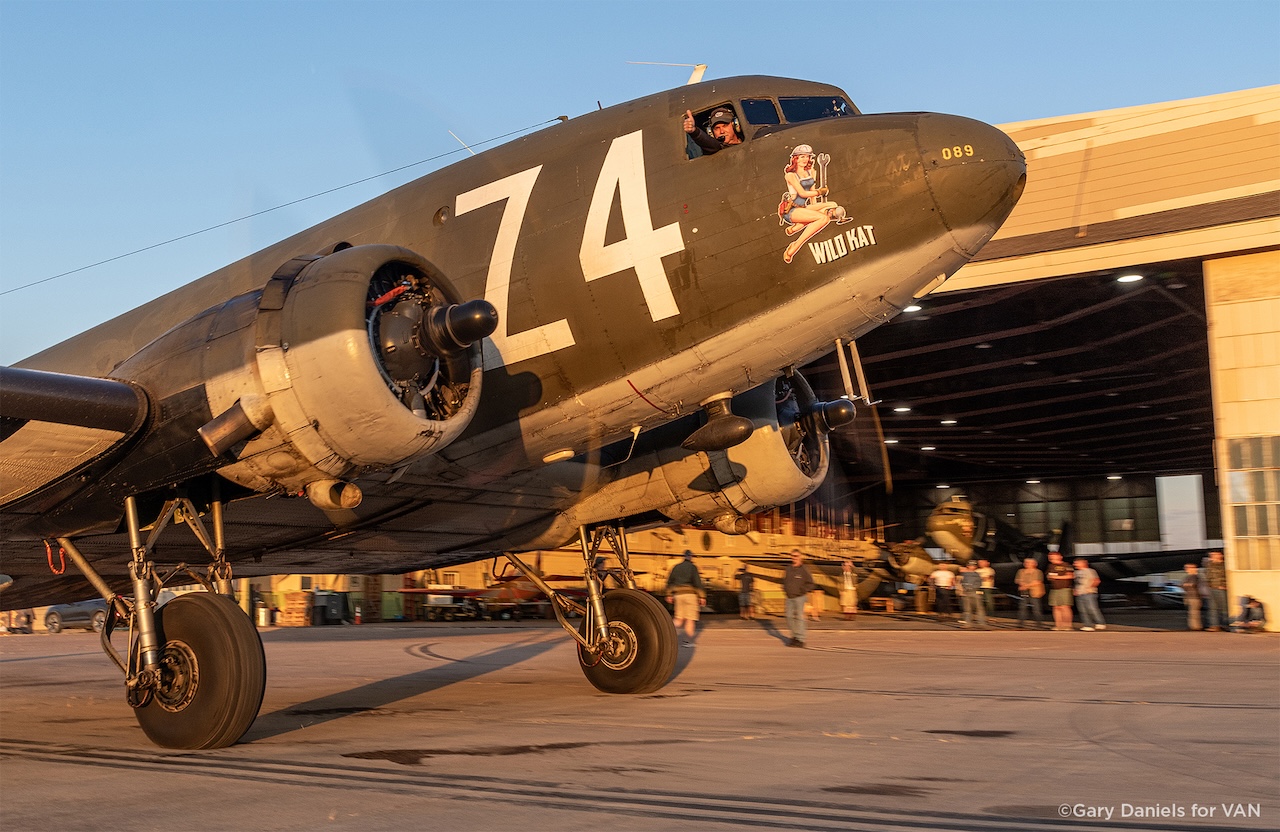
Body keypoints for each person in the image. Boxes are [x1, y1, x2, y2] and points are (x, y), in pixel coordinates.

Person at [779, 144, 848, 264]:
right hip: (792, 210)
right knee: (824, 218)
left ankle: (798, 227)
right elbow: (802, 193)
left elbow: (811, 196)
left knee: (832, 204)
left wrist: (815, 205)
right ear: (795, 158)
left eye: (807, 156)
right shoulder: (790, 175)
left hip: (803, 208)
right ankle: (794, 247)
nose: (805, 159)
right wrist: (819, 192)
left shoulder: (812, 172)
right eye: (801, 157)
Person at [665, 550, 705, 647]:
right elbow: (697, 582)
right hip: (690, 595)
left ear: (683, 556)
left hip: (678, 595)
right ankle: (688, 642)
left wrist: (669, 594)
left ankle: (666, 633)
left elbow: (670, 581)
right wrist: (702, 596)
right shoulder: (692, 567)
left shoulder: (676, 567)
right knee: (690, 619)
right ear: (690, 556)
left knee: (679, 618)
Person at [783, 549, 815, 647]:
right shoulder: (788, 569)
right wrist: (785, 589)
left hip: (800, 597)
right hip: (789, 597)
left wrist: (803, 590)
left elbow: (811, 583)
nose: (794, 558)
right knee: (789, 617)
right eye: (792, 556)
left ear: (800, 557)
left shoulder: (804, 569)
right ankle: (794, 636)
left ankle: (800, 639)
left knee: (800, 618)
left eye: (796, 556)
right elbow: (785, 581)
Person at [1072, 558, 1106, 632]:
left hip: (1089, 593)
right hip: (1079, 593)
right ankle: (1087, 625)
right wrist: (1075, 590)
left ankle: (1100, 622)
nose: (1075, 564)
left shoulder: (1090, 571)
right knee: (1082, 610)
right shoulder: (1076, 572)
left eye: (1077, 563)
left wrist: (1090, 588)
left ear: (1083, 563)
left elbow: (1096, 580)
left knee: (1092, 608)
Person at [1046, 552, 1075, 631]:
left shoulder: (1066, 565)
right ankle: (1058, 625)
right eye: (1050, 557)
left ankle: (1068, 625)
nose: (1051, 559)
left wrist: (1058, 577)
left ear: (1060, 557)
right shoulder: (1050, 566)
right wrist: (1050, 577)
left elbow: (1070, 576)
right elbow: (1049, 575)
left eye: (1053, 557)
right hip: (1054, 589)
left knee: (1065, 607)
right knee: (1056, 607)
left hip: (1065, 589)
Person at [1015, 557, 1046, 629]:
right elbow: (1017, 580)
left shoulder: (1038, 572)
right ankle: (1020, 624)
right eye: (1026, 562)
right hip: (1024, 592)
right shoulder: (1021, 571)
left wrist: (1026, 586)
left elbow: (1038, 581)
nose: (1027, 564)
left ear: (1034, 564)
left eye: (1029, 563)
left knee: (1036, 608)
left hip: (1035, 592)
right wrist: (1022, 584)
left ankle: (1039, 624)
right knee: (1022, 608)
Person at [1204, 551, 1229, 631]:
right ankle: (1214, 625)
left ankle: (1225, 624)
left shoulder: (1225, 565)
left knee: (1224, 607)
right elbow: (1207, 576)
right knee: (1213, 608)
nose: (1212, 556)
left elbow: (1228, 575)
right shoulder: (1209, 565)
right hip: (1213, 587)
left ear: (1220, 555)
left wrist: (1225, 585)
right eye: (1211, 555)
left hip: (1221, 588)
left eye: (1215, 555)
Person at [957, 563, 987, 628]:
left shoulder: (977, 575)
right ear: (968, 566)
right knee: (967, 609)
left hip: (974, 592)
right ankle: (967, 623)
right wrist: (962, 590)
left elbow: (979, 583)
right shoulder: (964, 575)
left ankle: (981, 623)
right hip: (966, 592)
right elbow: (961, 583)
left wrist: (973, 587)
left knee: (979, 609)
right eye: (970, 565)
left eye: (973, 566)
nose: (972, 567)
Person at [1180, 562, 1205, 631]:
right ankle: (1193, 626)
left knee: (1194, 612)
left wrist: (1187, 585)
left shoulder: (1196, 577)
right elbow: (1183, 585)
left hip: (1195, 597)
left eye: (1188, 568)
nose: (1186, 569)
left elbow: (1193, 585)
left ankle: (1196, 627)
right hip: (1189, 596)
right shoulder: (1187, 577)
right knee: (1191, 613)